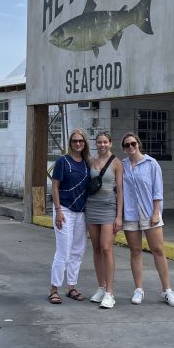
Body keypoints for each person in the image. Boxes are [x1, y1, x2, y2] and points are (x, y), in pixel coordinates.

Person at [120, 132, 174, 307]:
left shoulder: (151, 164)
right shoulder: (122, 165)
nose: (130, 147)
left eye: (133, 143)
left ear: (138, 144)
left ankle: (167, 290)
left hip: (149, 213)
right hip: (130, 214)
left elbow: (157, 191)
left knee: (158, 250)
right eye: (126, 145)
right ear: (124, 148)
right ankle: (138, 289)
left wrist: (156, 212)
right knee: (135, 251)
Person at [48, 128, 91, 304]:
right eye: (75, 141)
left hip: (81, 212)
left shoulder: (87, 163)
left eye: (81, 141)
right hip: (64, 210)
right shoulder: (62, 161)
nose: (78, 144)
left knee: (78, 252)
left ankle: (71, 287)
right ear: (70, 143)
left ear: (85, 143)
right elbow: (55, 186)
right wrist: (58, 210)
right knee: (63, 252)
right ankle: (54, 289)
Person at [86, 131, 123, 309]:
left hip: (108, 207)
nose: (102, 145)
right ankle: (101, 287)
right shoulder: (91, 161)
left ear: (110, 143)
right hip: (92, 206)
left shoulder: (116, 163)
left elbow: (121, 191)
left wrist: (119, 216)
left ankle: (110, 292)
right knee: (96, 248)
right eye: (99, 142)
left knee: (107, 248)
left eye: (105, 142)